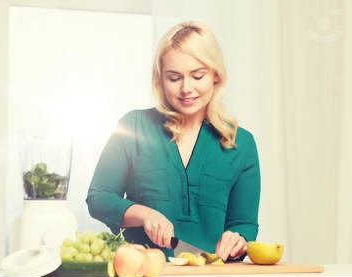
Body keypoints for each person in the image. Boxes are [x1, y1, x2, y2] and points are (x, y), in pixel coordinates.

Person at [86, 21, 260, 262]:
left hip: (211, 275)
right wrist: (144, 214)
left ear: (216, 77)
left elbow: (244, 223)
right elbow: (99, 197)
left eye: (197, 75)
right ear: (160, 80)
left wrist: (238, 238)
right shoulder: (134, 125)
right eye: (174, 77)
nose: (186, 88)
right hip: (142, 273)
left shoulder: (241, 143)